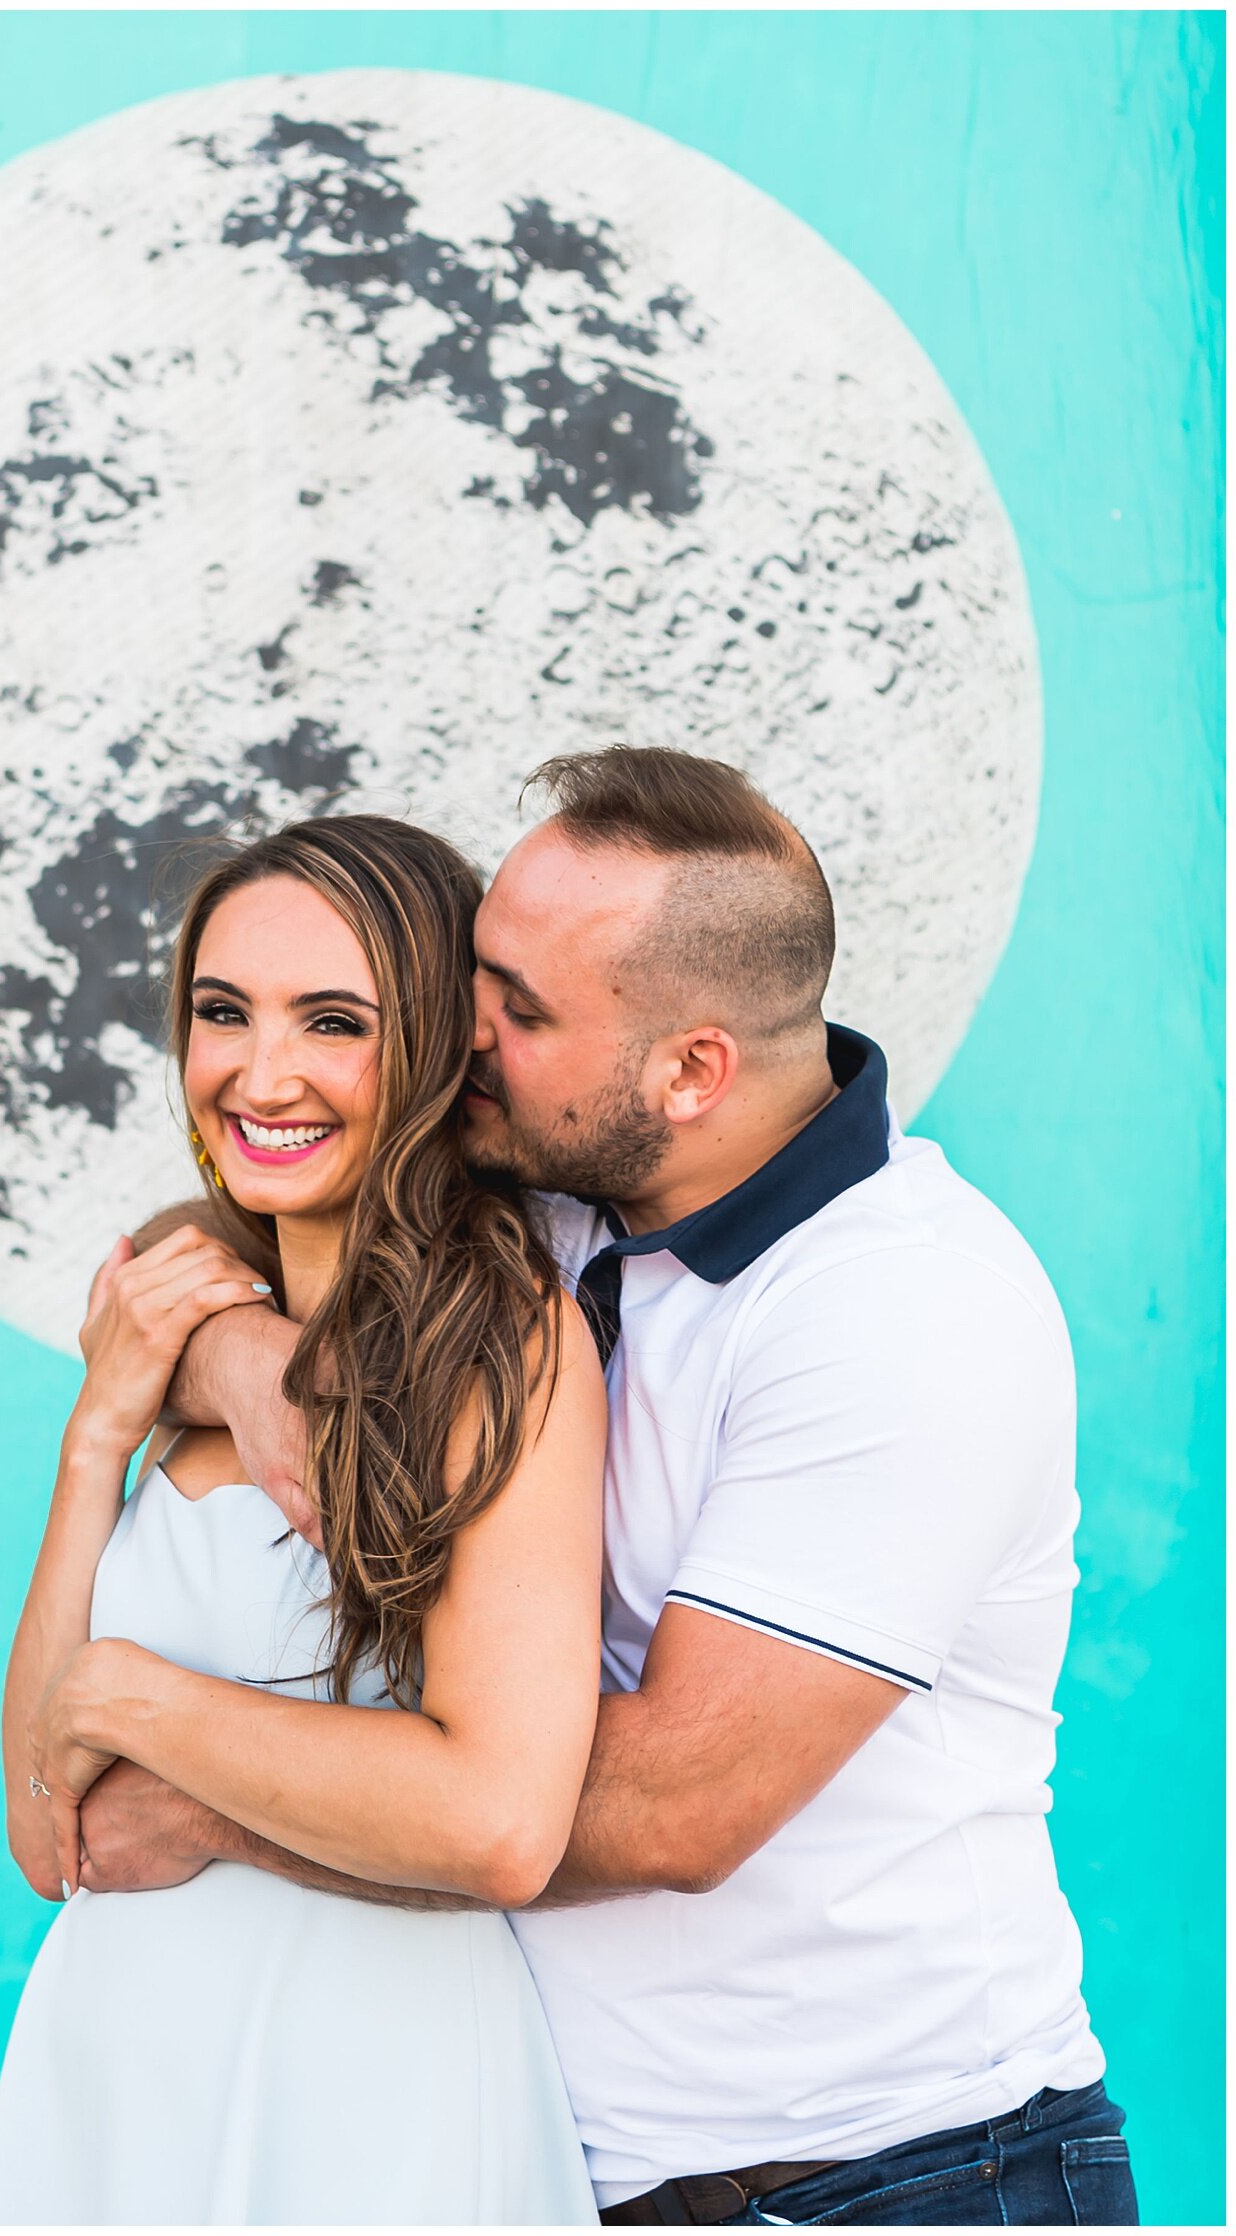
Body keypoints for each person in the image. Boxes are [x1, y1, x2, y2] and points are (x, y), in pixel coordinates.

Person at [63, 746, 1139, 2228]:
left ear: (690, 1069)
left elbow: (666, 1808)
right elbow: (193, 1251)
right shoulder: (562, 1195)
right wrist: (249, 1365)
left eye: (517, 1009)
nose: (466, 1038)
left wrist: (211, 1810)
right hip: (581, 2174)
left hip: (886, 2175)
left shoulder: (905, 1311)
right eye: (472, 978)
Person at [0, 815, 606, 2225]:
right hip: (118, 2081)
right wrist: (98, 1439)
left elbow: (500, 1827)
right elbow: (41, 1834)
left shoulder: (508, 1345)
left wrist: (135, 1700)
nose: (262, 1074)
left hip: (369, 2086)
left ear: (437, 1045)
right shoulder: (186, 1315)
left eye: (334, 1022)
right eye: (221, 1013)